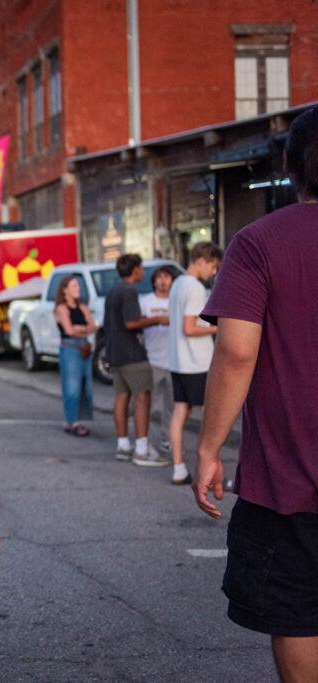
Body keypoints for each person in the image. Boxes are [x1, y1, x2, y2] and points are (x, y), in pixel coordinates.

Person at [194, 108, 318, 681]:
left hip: (288, 484)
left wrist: (208, 449)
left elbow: (236, 353)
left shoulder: (258, 243)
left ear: (289, 164)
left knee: (297, 615)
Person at [103, 254, 167, 463]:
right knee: (143, 398)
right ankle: (141, 448)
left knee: (121, 397)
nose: (144, 272)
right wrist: (158, 319)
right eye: (141, 268)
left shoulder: (114, 290)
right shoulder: (129, 290)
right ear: (135, 269)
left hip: (114, 352)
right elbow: (131, 323)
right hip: (132, 353)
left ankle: (123, 445)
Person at [167, 242, 222, 485]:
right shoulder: (195, 287)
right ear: (201, 261)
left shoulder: (177, 283)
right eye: (213, 266)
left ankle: (179, 468)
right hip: (197, 362)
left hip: (178, 361)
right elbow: (189, 328)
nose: (214, 272)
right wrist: (218, 328)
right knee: (210, 417)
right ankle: (207, 472)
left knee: (180, 412)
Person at [139, 267, 176, 459]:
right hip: (151, 359)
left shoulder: (176, 300)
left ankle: (166, 439)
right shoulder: (145, 301)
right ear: (153, 281)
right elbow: (138, 326)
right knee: (149, 405)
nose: (163, 281)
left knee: (171, 406)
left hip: (174, 361)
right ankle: (144, 440)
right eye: (159, 277)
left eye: (166, 277)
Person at [54, 275, 97, 436]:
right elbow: (69, 330)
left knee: (84, 385)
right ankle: (71, 421)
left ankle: (79, 419)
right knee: (72, 386)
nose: (78, 288)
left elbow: (93, 326)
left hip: (84, 347)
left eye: (78, 285)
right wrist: (83, 329)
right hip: (70, 348)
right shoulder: (62, 308)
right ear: (65, 290)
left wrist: (80, 329)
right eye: (74, 286)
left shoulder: (83, 306)